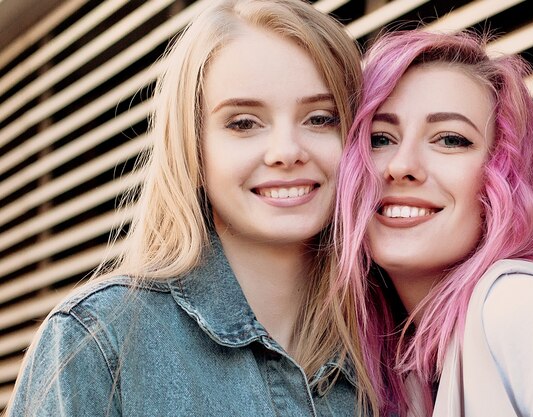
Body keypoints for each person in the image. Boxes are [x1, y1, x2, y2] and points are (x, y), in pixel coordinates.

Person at [6, 1, 369, 415]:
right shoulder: (97, 342)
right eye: (244, 123)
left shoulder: (391, 358)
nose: (286, 152)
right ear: (194, 150)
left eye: (320, 118)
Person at [334, 30, 533, 417]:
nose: (402, 166)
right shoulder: (405, 364)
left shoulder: (522, 307)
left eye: (450, 140)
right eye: (380, 138)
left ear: (501, 175)